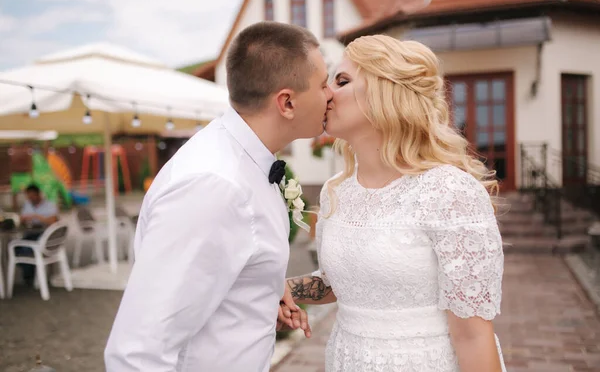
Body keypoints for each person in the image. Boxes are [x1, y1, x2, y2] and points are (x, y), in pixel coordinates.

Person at [104, 21, 332, 372]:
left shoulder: (245, 164)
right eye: (323, 83)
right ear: (286, 102)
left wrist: (256, 300)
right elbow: (138, 352)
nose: (330, 94)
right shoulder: (214, 185)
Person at [285, 35, 507, 372]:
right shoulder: (336, 190)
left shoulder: (448, 191)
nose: (326, 92)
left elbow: (474, 337)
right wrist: (279, 289)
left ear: (386, 94)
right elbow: (339, 283)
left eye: (342, 81)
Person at [17, 183, 59, 286]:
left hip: (44, 235)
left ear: (38, 194)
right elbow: (22, 219)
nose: (31, 198)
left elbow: (54, 221)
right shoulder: (27, 204)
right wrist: (23, 219)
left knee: (26, 249)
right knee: (16, 248)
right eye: (29, 196)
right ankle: (29, 272)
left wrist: (37, 217)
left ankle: (30, 275)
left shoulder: (49, 205)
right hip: (30, 232)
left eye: (32, 196)